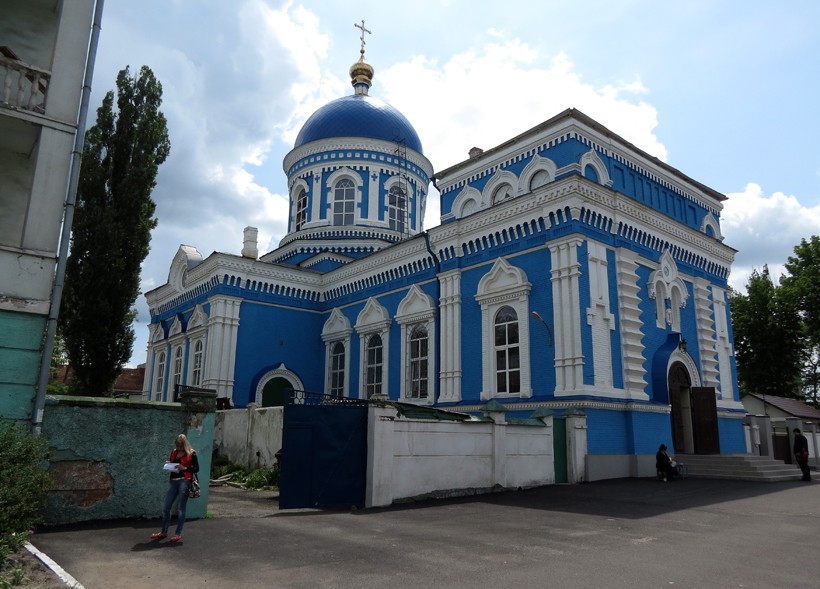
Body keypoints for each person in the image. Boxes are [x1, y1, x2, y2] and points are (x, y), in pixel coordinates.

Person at [151, 433, 199, 542]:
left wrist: (185, 468)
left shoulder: (192, 453)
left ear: (185, 445)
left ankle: (178, 533)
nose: (179, 448)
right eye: (178, 446)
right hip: (173, 481)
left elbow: (196, 468)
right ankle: (164, 531)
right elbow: (173, 464)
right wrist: (169, 464)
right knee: (166, 507)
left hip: (184, 481)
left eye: (181, 446)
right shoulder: (174, 452)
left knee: (181, 509)